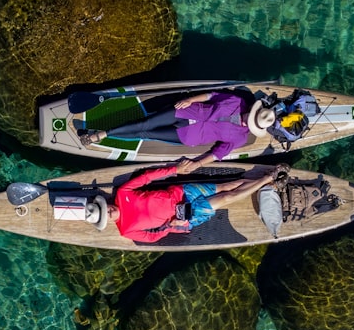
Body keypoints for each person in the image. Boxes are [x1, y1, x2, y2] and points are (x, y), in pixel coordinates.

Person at [79, 91, 276, 174]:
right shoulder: (237, 101)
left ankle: (107, 135)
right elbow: (212, 95)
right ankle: (103, 134)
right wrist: (190, 99)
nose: (246, 120)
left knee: (146, 135)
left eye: (251, 123)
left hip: (188, 136)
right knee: (145, 124)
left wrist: (197, 164)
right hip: (186, 111)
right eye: (250, 116)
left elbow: (218, 154)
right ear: (253, 111)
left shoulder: (240, 138)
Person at [83, 163, 286, 243]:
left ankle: (266, 181)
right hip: (183, 215)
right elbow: (151, 237)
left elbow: (147, 177)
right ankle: (269, 179)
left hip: (181, 192)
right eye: (105, 215)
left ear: (105, 203)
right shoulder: (125, 230)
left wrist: (174, 170)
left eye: (104, 208)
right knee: (226, 198)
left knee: (228, 185)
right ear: (106, 221)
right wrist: (170, 228)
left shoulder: (122, 194)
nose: (108, 211)